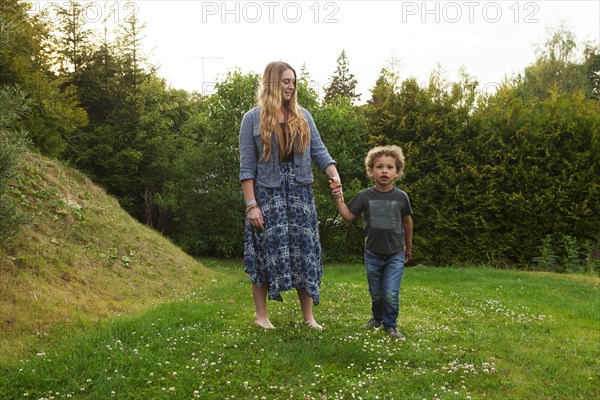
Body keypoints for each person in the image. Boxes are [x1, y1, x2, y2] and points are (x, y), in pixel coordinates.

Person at [239, 61, 340, 330]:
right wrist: (252, 206)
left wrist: (333, 172)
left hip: (300, 194)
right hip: (267, 195)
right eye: (285, 81)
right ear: (272, 83)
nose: (291, 86)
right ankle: (261, 316)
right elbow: (247, 168)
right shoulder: (252, 118)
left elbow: (320, 152)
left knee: (303, 251)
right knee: (264, 251)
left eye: (293, 81)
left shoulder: (303, 115)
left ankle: (309, 317)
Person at [329, 145, 413, 340]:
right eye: (379, 166)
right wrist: (337, 198)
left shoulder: (401, 197)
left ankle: (390, 326)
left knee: (390, 292)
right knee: (376, 292)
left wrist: (408, 246)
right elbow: (348, 216)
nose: (384, 171)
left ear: (397, 172)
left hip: (394, 254)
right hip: (373, 254)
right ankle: (377, 318)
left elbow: (408, 222)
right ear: (371, 171)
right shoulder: (365, 196)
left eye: (390, 167)